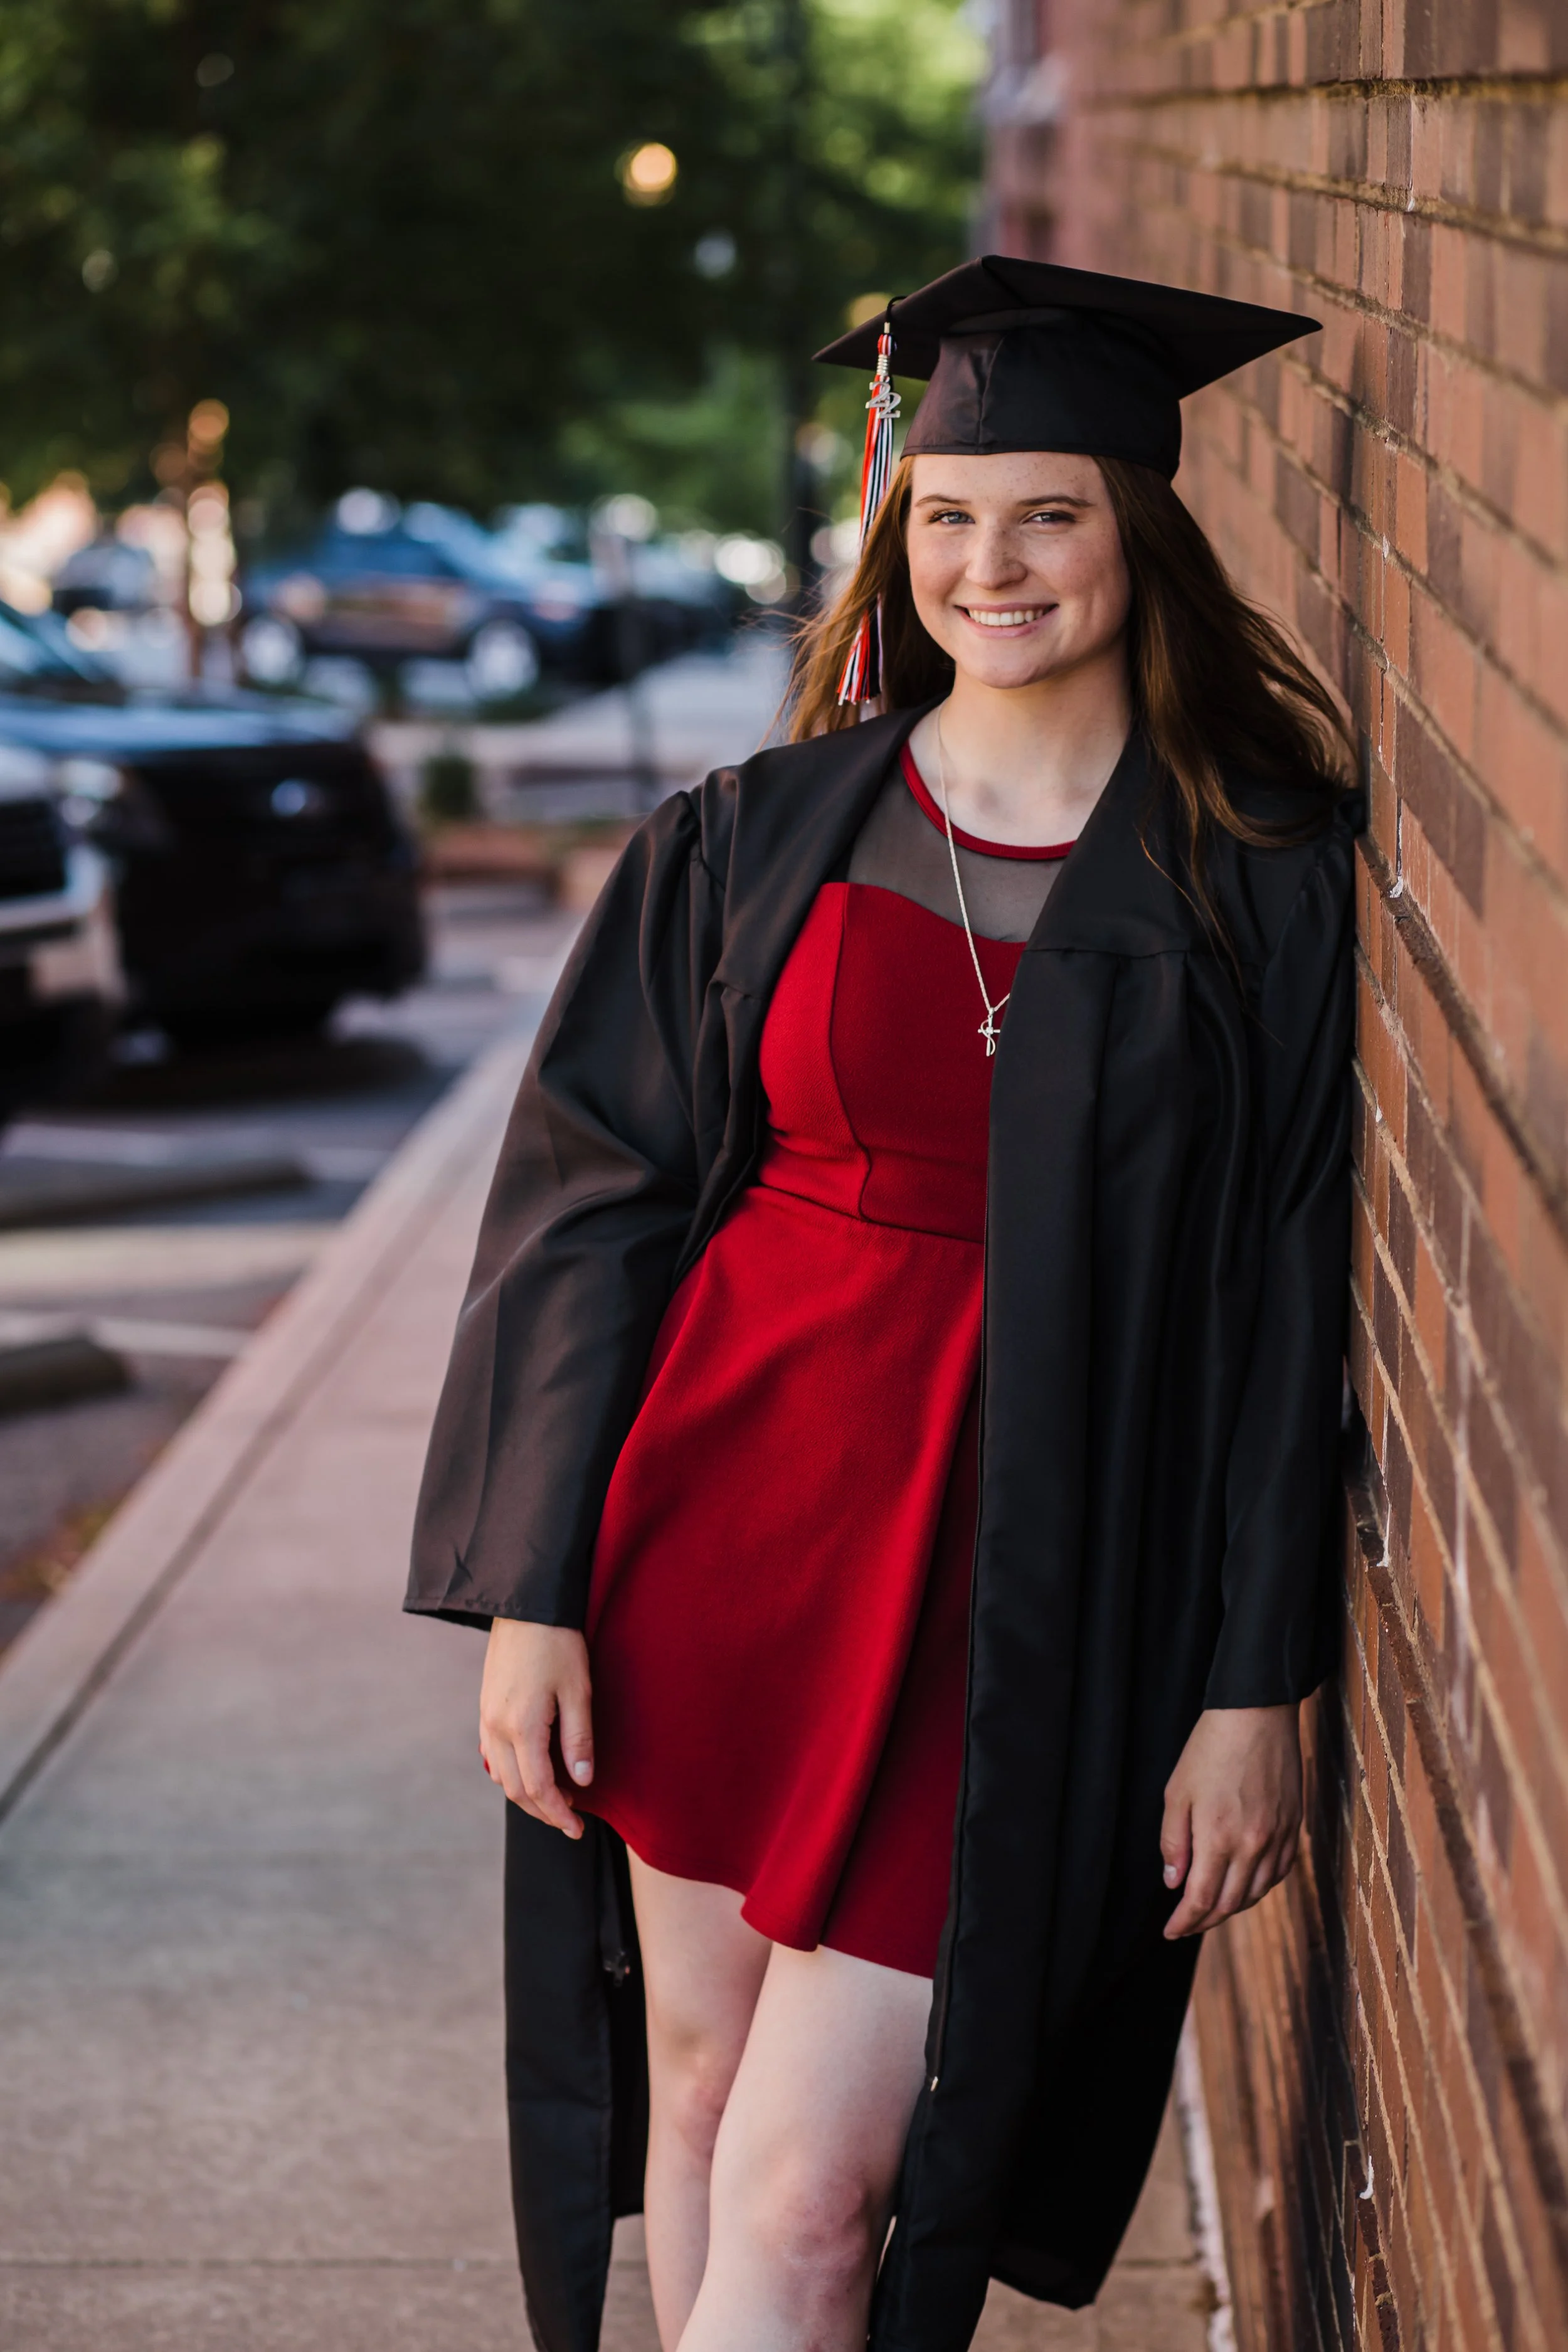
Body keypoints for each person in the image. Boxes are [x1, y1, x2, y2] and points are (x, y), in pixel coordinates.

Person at [406, 255, 1360, 2352]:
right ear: (892, 530)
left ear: (1139, 529)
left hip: (1035, 1584)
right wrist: (535, 1589)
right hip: (727, 1536)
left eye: (1046, 514)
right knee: (699, 2087)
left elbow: (1293, 1286)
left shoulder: (1255, 871)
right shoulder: (751, 839)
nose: (987, 563)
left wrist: (1251, 1679)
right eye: (944, 515)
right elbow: (590, 1214)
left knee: (820, 2193)